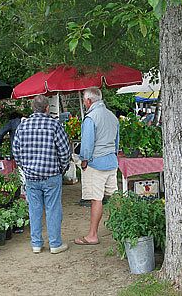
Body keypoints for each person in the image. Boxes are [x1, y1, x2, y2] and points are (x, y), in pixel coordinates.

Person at [12, 95, 70, 254]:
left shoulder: (22, 127)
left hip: (31, 176)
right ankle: (55, 244)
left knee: (34, 210)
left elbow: (15, 152)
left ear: (32, 108)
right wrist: (61, 168)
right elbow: (65, 151)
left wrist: (25, 168)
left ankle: (36, 244)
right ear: (47, 108)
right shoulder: (54, 125)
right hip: (51, 175)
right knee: (53, 209)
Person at [74, 87, 119, 246]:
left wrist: (84, 161)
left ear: (88, 101)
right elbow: (116, 143)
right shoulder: (113, 117)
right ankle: (122, 227)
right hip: (111, 161)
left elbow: (86, 145)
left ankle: (92, 235)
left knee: (96, 199)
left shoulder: (91, 118)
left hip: (96, 164)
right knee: (114, 197)